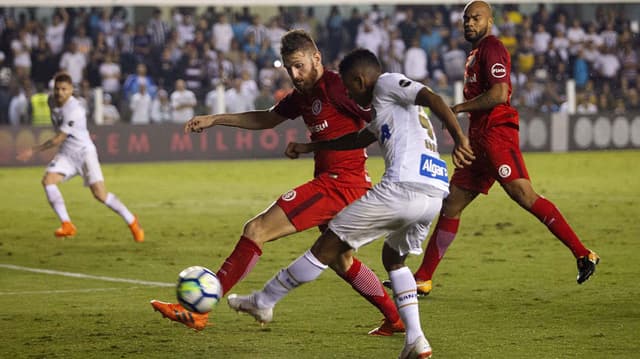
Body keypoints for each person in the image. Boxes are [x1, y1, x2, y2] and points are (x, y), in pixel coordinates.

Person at [150, 30, 403, 336]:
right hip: (343, 186)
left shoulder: (337, 86)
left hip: (340, 185)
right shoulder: (303, 96)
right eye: (288, 68)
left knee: (256, 230)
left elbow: (378, 115)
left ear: (316, 58)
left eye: (299, 66)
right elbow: (266, 119)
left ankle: (197, 310)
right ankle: (395, 319)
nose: (295, 75)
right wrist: (215, 119)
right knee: (342, 260)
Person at [228, 48, 473, 359]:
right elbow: (356, 139)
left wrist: (460, 139)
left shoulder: (386, 83)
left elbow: (434, 98)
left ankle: (265, 300)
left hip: (402, 188)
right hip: (433, 193)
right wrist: (309, 146)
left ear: (361, 79)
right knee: (393, 259)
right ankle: (416, 339)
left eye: (349, 86)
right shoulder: (388, 109)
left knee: (327, 248)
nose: (348, 94)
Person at [408, 0, 599, 297]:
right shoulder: (475, 52)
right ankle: (423, 278)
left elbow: (499, 94)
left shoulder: (493, 48)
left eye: (476, 18)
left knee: (523, 194)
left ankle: (583, 253)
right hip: (479, 139)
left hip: (497, 136)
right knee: (452, 205)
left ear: (490, 22)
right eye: (466, 19)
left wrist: (458, 107)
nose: (469, 23)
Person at [16, 72, 144, 243]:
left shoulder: (75, 110)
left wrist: (33, 150)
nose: (59, 92)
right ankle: (67, 224)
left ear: (71, 91)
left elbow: (59, 138)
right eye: (57, 89)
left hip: (84, 154)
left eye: (64, 89)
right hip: (67, 154)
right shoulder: (50, 101)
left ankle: (132, 222)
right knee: (48, 181)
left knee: (100, 195)